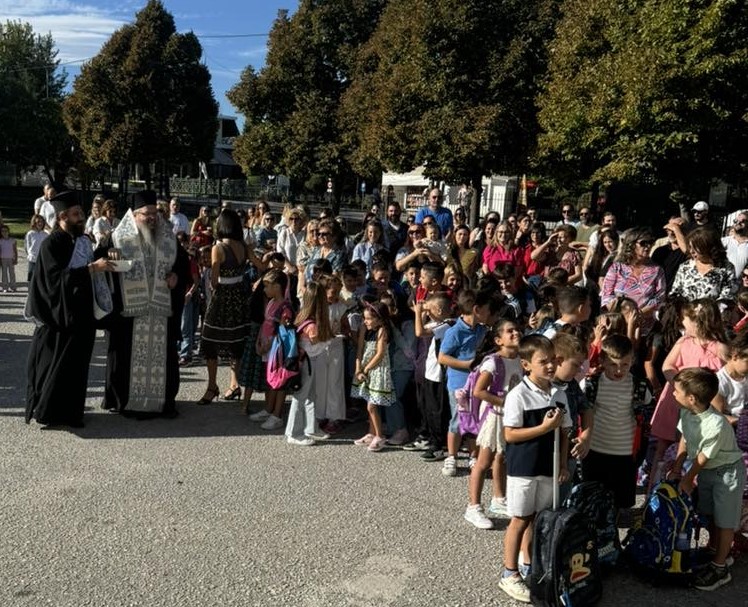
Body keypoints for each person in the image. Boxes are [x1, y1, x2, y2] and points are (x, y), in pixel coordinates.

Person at [25, 190, 114, 428]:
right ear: (63, 216)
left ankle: (73, 414)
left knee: (78, 367)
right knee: (59, 366)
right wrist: (91, 269)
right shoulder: (51, 244)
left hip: (82, 315)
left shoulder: (81, 240)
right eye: (76, 214)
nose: (81, 218)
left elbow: (86, 264)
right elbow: (54, 280)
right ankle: (50, 413)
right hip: (60, 318)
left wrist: (103, 256)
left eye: (81, 214)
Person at [101, 190, 190, 419]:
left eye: (154, 213)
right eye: (146, 214)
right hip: (129, 312)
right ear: (134, 214)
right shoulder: (116, 237)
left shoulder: (168, 237)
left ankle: (162, 403)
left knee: (164, 357)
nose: (151, 218)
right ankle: (127, 402)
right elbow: (102, 267)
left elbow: (182, 266)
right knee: (127, 357)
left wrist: (176, 278)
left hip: (160, 310)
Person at [500, 335, 571, 603]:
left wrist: (563, 463)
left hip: (549, 467)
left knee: (539, 518)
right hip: (524, 468)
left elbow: (564, 432)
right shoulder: (518, 395)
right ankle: (509, 573)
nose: (551, 366)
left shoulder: (558, 392)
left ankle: (529, 563)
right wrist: (542, 428)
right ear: (527, 365)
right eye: (544, 362)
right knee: (520, 519)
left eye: (553, 360)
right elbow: (510, 434)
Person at [670, 368, 746, 591]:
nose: (673, 394)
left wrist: (687, 479)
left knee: (725, 521)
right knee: (710, 513)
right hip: (708, 471)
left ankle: (720, 568)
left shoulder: (716, 424)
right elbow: (684, 439)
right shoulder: (687, 412)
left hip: (727, 474)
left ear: (691, 398)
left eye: (676, 391)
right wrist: (676, 467)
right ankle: (715, 551)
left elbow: (703, 458)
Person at [649, 299, 728, 488]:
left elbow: (727, 375)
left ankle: (686, 492)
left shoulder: (720, 348)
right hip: (675, 399)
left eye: (685, 319)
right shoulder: (683, 341)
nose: (682, 323)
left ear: (698, 322)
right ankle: (654, 490)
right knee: (663, 446)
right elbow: (667, 365)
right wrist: (680, 384)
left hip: (701, 406)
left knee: (694, 449)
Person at [463, 319, 523, 529]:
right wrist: (506, 402)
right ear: (498, 340)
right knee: (484, 461)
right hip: (495, 416)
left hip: (510, 417)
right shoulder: (493, 362)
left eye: (516, 329)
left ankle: (499, 498)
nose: (515, 332)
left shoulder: (520, 359)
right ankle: (473, 506)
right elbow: (479, 391)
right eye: (509, 331)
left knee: (502, 456)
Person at [197, 209, 251, 403]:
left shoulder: (217, 247)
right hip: (239, 297)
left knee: (210, 341)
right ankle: (234, 384)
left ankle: (212, 386)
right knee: (236, 342)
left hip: (221, 299)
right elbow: (260, 266)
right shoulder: (244, 246)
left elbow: (213, 281)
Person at [582, 335, 642, 511]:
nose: (619, 370)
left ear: (632, 361)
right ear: (602, 361)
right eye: (613, 364)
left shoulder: (638, 386)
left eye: (625, 364)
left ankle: (614, 537)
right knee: (593, 503)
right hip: (595, 449)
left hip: (625, 452)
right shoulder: (591, 385)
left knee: (621, 505)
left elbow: (643, 412)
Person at [437, 289, 492, 477]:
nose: (489, 313)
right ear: (476, 309)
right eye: (486, 310)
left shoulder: (481, 329)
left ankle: (473, 456)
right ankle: (451, 456)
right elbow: (442, 357)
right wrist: (465, 364)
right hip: (459, 385)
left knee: (475, 419)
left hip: (476, 385)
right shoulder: (455, 331)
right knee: (458, 419)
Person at [285, 282, 334, 445]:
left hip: (304, 362)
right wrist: (329, 340)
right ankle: (294, 432)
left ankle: (310, 427)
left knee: (310, 395)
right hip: (308, 363)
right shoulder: (312, 325)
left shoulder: (302, 317)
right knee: (301, 397)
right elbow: (314, 347)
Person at [601, 227, 666, 336]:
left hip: (644, 327)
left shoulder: (656, 270)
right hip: (617, 325)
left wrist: (638, 314)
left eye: (650, 242)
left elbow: (659, 298)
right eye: (643, 243)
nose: (648, 246)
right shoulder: (617, 268)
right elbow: (606, 294)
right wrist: (623, 315)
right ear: (631, 244)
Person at [352, 301, 397, 452]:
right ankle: (371, 433)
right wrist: (358, 368)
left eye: (369, 318)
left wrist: (366, 369)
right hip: (365, 369)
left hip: (377, 370)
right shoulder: (365, 329)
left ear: (379, 318)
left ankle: (380, 435)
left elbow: (380, 353)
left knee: (372, 405)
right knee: (368, 401)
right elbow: (360, 348)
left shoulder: (382, 330)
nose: (366, 321)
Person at [670, 226, 737, 301]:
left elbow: (727, 297)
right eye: (690, 247)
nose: (691, 251)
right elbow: (675, 293)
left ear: (707, 246)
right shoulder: (685, 267)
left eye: (695, 247)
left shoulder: (726, 268)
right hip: (686, 311)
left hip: (712, 312)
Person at [650, 218, 689, 292]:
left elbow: (687, 251)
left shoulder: (689, 252)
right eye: (669, 229)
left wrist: (676, 229)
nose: (671, 233)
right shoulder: (660, 251)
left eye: (675, 230)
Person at [722, 210, 748, 279]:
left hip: (740, 287)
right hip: (722, 284)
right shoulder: (724, 241)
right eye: (736, 221)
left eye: (743, 221)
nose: (738, 223)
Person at [24, 215, 48, 282]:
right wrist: (30, 254)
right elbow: (27, 246)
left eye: (41, 222)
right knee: (31, 276)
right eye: (38, 222)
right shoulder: (30, 234)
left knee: (41, 277)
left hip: (42, 259)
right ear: (34, 223)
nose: (40, 223)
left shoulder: (45, 234)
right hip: (33, 259)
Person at [0, 224, 18, 292]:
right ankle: (5, 287)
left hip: (11, 259)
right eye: (2, 231)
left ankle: (13, 286)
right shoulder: (0, 241)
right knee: (4, 273)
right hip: (3, 259)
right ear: (1, 232)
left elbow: (15, 250)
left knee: (12, 273)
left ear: (8, 232)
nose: (4, 232)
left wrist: (15, 258)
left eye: (6, 231)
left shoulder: (12, 240)